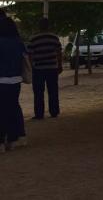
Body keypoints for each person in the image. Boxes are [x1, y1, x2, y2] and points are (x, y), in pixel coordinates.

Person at [0, 11, 27, 151]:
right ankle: (16, 137)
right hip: (16, 80)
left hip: (1, 80)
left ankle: (2, 141)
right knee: (14, 107)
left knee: (2, 110)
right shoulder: (18, 42)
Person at [27, 17, 62, 120]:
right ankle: (54, 111)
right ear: (48, 26)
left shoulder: (33, 39)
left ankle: (39, 114)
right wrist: (59, 65)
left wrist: (32, 66)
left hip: (38, 68)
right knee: (53, 90)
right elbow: (59, 52)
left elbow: (30, 55)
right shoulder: (54, 38)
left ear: (39, 26)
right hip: (52, 67)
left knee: (38, 92)